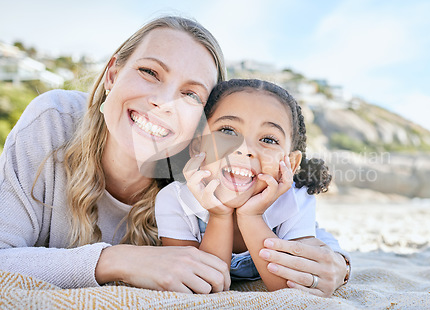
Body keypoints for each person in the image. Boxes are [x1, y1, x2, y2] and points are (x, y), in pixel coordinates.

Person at [0, 16, 349, 297]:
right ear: (112, 74)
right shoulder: (54, 121)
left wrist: (339, 263)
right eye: (149, 72)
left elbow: (300, 224)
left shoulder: (201, 170)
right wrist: (118, 260)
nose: (164, 102)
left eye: (191, 94)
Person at [156, 79, 341, 292]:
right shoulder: (175, 200)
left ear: (290, 163)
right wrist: (219, 215)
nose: (244, 149)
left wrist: (251, 217)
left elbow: (288, 288)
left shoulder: (296, 199)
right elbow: (202, 283)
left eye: (269, 140)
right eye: (228, 131)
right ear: (197, 146)